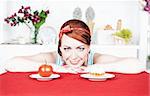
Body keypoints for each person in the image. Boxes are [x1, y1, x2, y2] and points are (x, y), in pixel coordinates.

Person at [0, 19, 146, 74]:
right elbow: (10, 64)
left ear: (89, 48)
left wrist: (96, 68)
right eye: (67, 49)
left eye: (81, 49)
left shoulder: (95, 59)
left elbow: (137, 65)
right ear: (60, 48)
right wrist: (56, 68)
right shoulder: (53, 57)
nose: (74, 57)